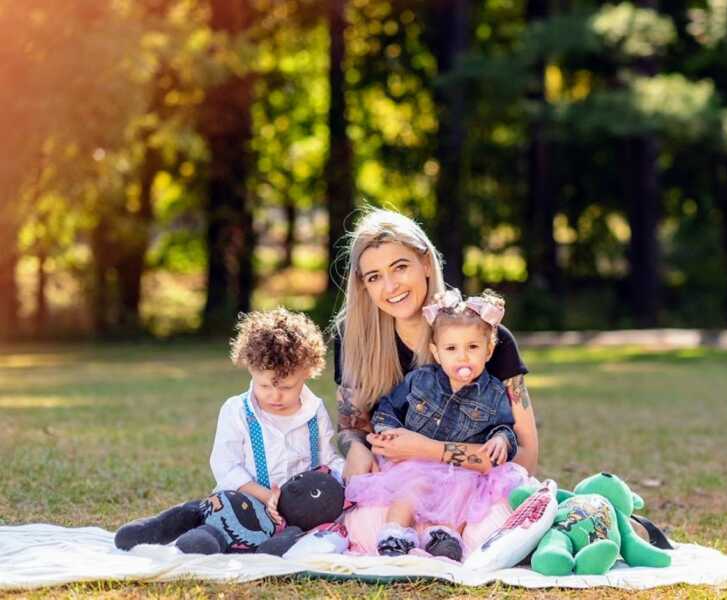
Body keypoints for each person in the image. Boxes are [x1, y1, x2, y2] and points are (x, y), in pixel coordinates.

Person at [330, 208, 539, 555]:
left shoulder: (481, 338)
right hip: (400, 483)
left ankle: (443, 536)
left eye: (400, 267)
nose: (391, 286)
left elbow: (526, 451)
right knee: (369, 525)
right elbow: (353, 427)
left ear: (426, 263)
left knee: (490, 529)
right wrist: (355, 447)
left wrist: (430, 451)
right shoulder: (353, 339)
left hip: (475, 486)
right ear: (363, 286)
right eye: (374, 277)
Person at [115, 308, 345, 552]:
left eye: (287, 387)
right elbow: (226, 465)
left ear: (308, 372)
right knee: (215, 511)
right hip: (247, 498)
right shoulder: (238, 411)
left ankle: (259, 545)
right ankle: (160, 529)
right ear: (250, 369)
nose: (275, 395)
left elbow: (329, 459)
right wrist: (266, 497)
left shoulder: (314, 411)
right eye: (264, 385)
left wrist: (346, 482)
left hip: (297, 511)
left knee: (310, 535)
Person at [344, 289, 528, 560]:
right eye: (451, 349)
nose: (462, 357)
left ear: (488, 350)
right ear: (437, 352)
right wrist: (387, 432)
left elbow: (504, 427)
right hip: (416, 463)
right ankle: (394, 533)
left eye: (473, 347)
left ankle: (445, 535)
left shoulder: (494, 392)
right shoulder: (420, 381)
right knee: (412, 488)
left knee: (463, 493)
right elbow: (388, 409)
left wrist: (501, 439)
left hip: (462, 468)